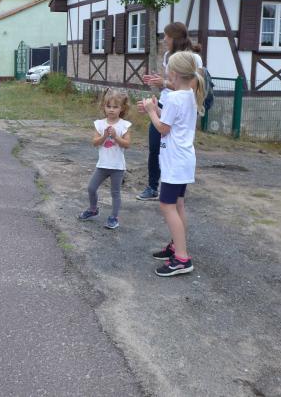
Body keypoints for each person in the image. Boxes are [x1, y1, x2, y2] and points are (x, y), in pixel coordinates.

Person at [141, 51, 206, 276]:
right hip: (184, 160)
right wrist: (156, 109)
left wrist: (151, 112)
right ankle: (176, 247)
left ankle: (181, 258)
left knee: (167, 206)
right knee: (178, 205)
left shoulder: (175, 97)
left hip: (175, 161)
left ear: (174, 73)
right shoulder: (189, 94)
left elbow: (163, 128)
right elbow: (172, 119)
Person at [138, 22, 204, 201]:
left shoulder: (194, 59)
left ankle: (174, 187)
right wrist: (158, 83)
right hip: (166, 102)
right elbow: (172, 82)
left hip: (178, 106)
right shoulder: (168, 55)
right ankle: (153, 186)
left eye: (167, 36)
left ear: (176, 37)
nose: (164, 39)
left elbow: (190, 88)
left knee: (172, 145)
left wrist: (165, 83)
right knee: (155, 146)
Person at [77, 89, 132, 230]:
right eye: (108, 106)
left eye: (115, 107)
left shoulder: (124, 125)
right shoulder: (100, 124)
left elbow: (127, 144)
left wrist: (116, 137)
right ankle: (93, 209)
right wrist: (104, 136)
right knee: (91, 188)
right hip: (102, 165)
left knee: (115, 193)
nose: (111, 110)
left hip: (117, 167)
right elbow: (95, 142)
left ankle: (114, 218)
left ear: (122, 108)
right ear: (104, 107)